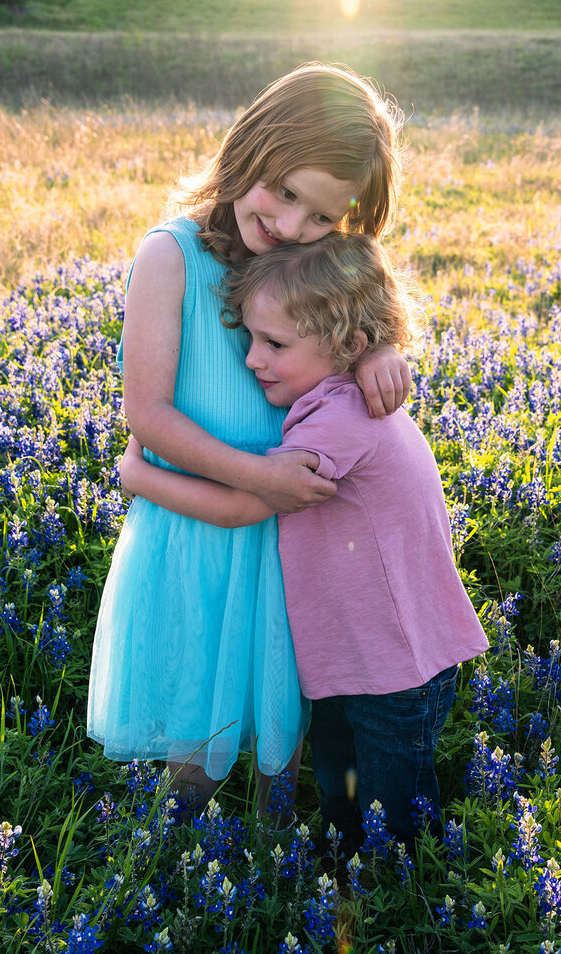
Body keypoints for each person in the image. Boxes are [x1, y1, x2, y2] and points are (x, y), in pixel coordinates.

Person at [87, 62, 412, 821]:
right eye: (286, 192)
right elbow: (150, 416)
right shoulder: (168, 256)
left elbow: (344, 324)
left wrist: (378, 348)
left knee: (282, 730)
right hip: (202, 528)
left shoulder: (307, 265)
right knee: (196, 745)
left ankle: (273, 859)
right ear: (252, 147)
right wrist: (257, 480)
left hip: (292, 538)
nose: (293, 226)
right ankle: (175, 872)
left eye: (323, 218)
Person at [118, 233, 489, 852]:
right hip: (360, 656)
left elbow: (243, 507)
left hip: (396, 667)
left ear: (348, 345)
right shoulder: (338, 395)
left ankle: (402, 905)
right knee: (344, 797)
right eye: (251, 338)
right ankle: (343, 884)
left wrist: (140, 477)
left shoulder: (341, 421)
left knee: (394, 814)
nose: (252, 359)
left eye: (274, 344)